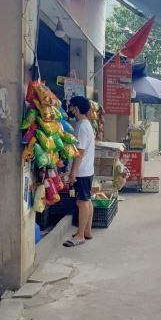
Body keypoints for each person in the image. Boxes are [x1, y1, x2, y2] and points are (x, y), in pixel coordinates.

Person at [63, 96, 95, 247]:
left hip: (81, 171)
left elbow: (79, 153)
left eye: (71, 107)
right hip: (86, 170)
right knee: (86, 200)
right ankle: (87, 231)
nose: (69, 110)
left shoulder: (82, 126)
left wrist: (72, 173)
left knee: (82, 202)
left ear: (76, 108)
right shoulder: (85, 124)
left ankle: (80, 235)